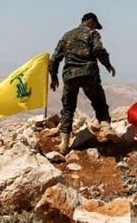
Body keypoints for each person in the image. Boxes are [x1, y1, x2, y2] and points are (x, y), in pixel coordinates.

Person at [49, 12, 116, 154]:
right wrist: (108, 65)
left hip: (70, 76)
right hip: (88, 73)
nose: (95, 28)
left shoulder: (67, 35)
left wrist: (54, 77)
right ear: (91, 21)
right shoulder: (92, 33)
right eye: (95, 25)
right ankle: (106, 128)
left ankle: (64, 144)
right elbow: (99, 50)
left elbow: (55, 58)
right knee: (99, 103)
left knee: (68, 109)